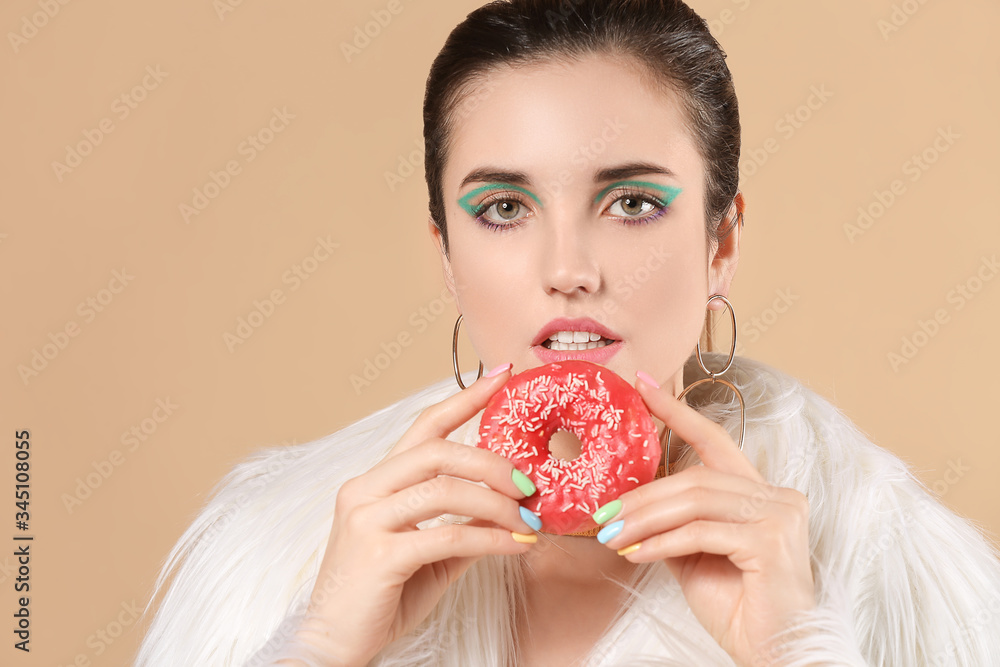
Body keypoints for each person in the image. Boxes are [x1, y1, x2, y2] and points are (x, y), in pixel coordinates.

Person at [133, 1, 1000, 665]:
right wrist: (319, 643)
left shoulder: (884, 556)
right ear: (446, 255)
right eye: (504, 208)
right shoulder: (276, 551)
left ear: (721, 244)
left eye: (631, 202)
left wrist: (798, 648)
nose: (568, 268)